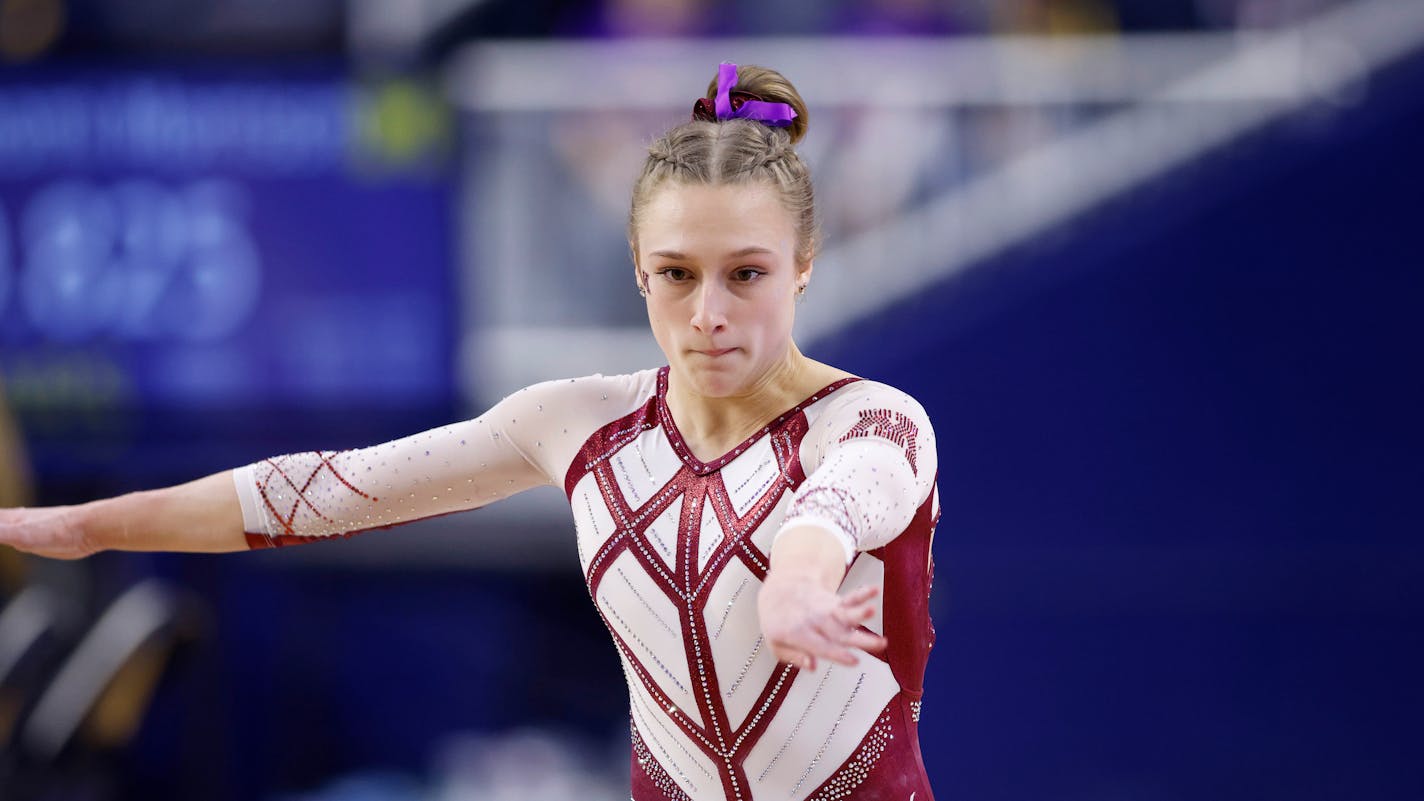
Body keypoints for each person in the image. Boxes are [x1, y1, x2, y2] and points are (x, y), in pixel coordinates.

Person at [0, 62, 940, 800]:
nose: (709, 314)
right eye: (677, 274)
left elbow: (835, 506)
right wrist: (92, 524)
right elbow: (328, 491)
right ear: (638, 272)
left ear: (804, 266)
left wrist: (796, 586)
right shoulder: (576, 423)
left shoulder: (874, 420)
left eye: (747, 273)